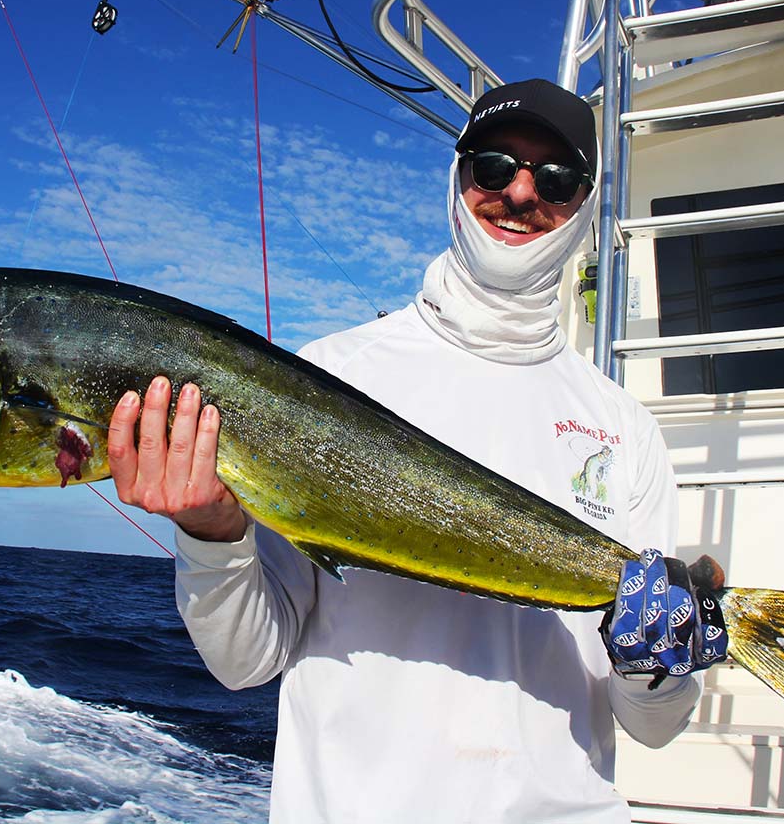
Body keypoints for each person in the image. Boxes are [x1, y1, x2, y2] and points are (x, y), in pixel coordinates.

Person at [107, 78, 722, 823]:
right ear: (458, 178)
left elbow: (654, 725)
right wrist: (211, 533)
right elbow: (247, 660)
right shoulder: (331, 377)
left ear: (585, 207)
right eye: (493, 166)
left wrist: (656, 663)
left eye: (557, 178)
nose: (521, 192)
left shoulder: (625, 428)